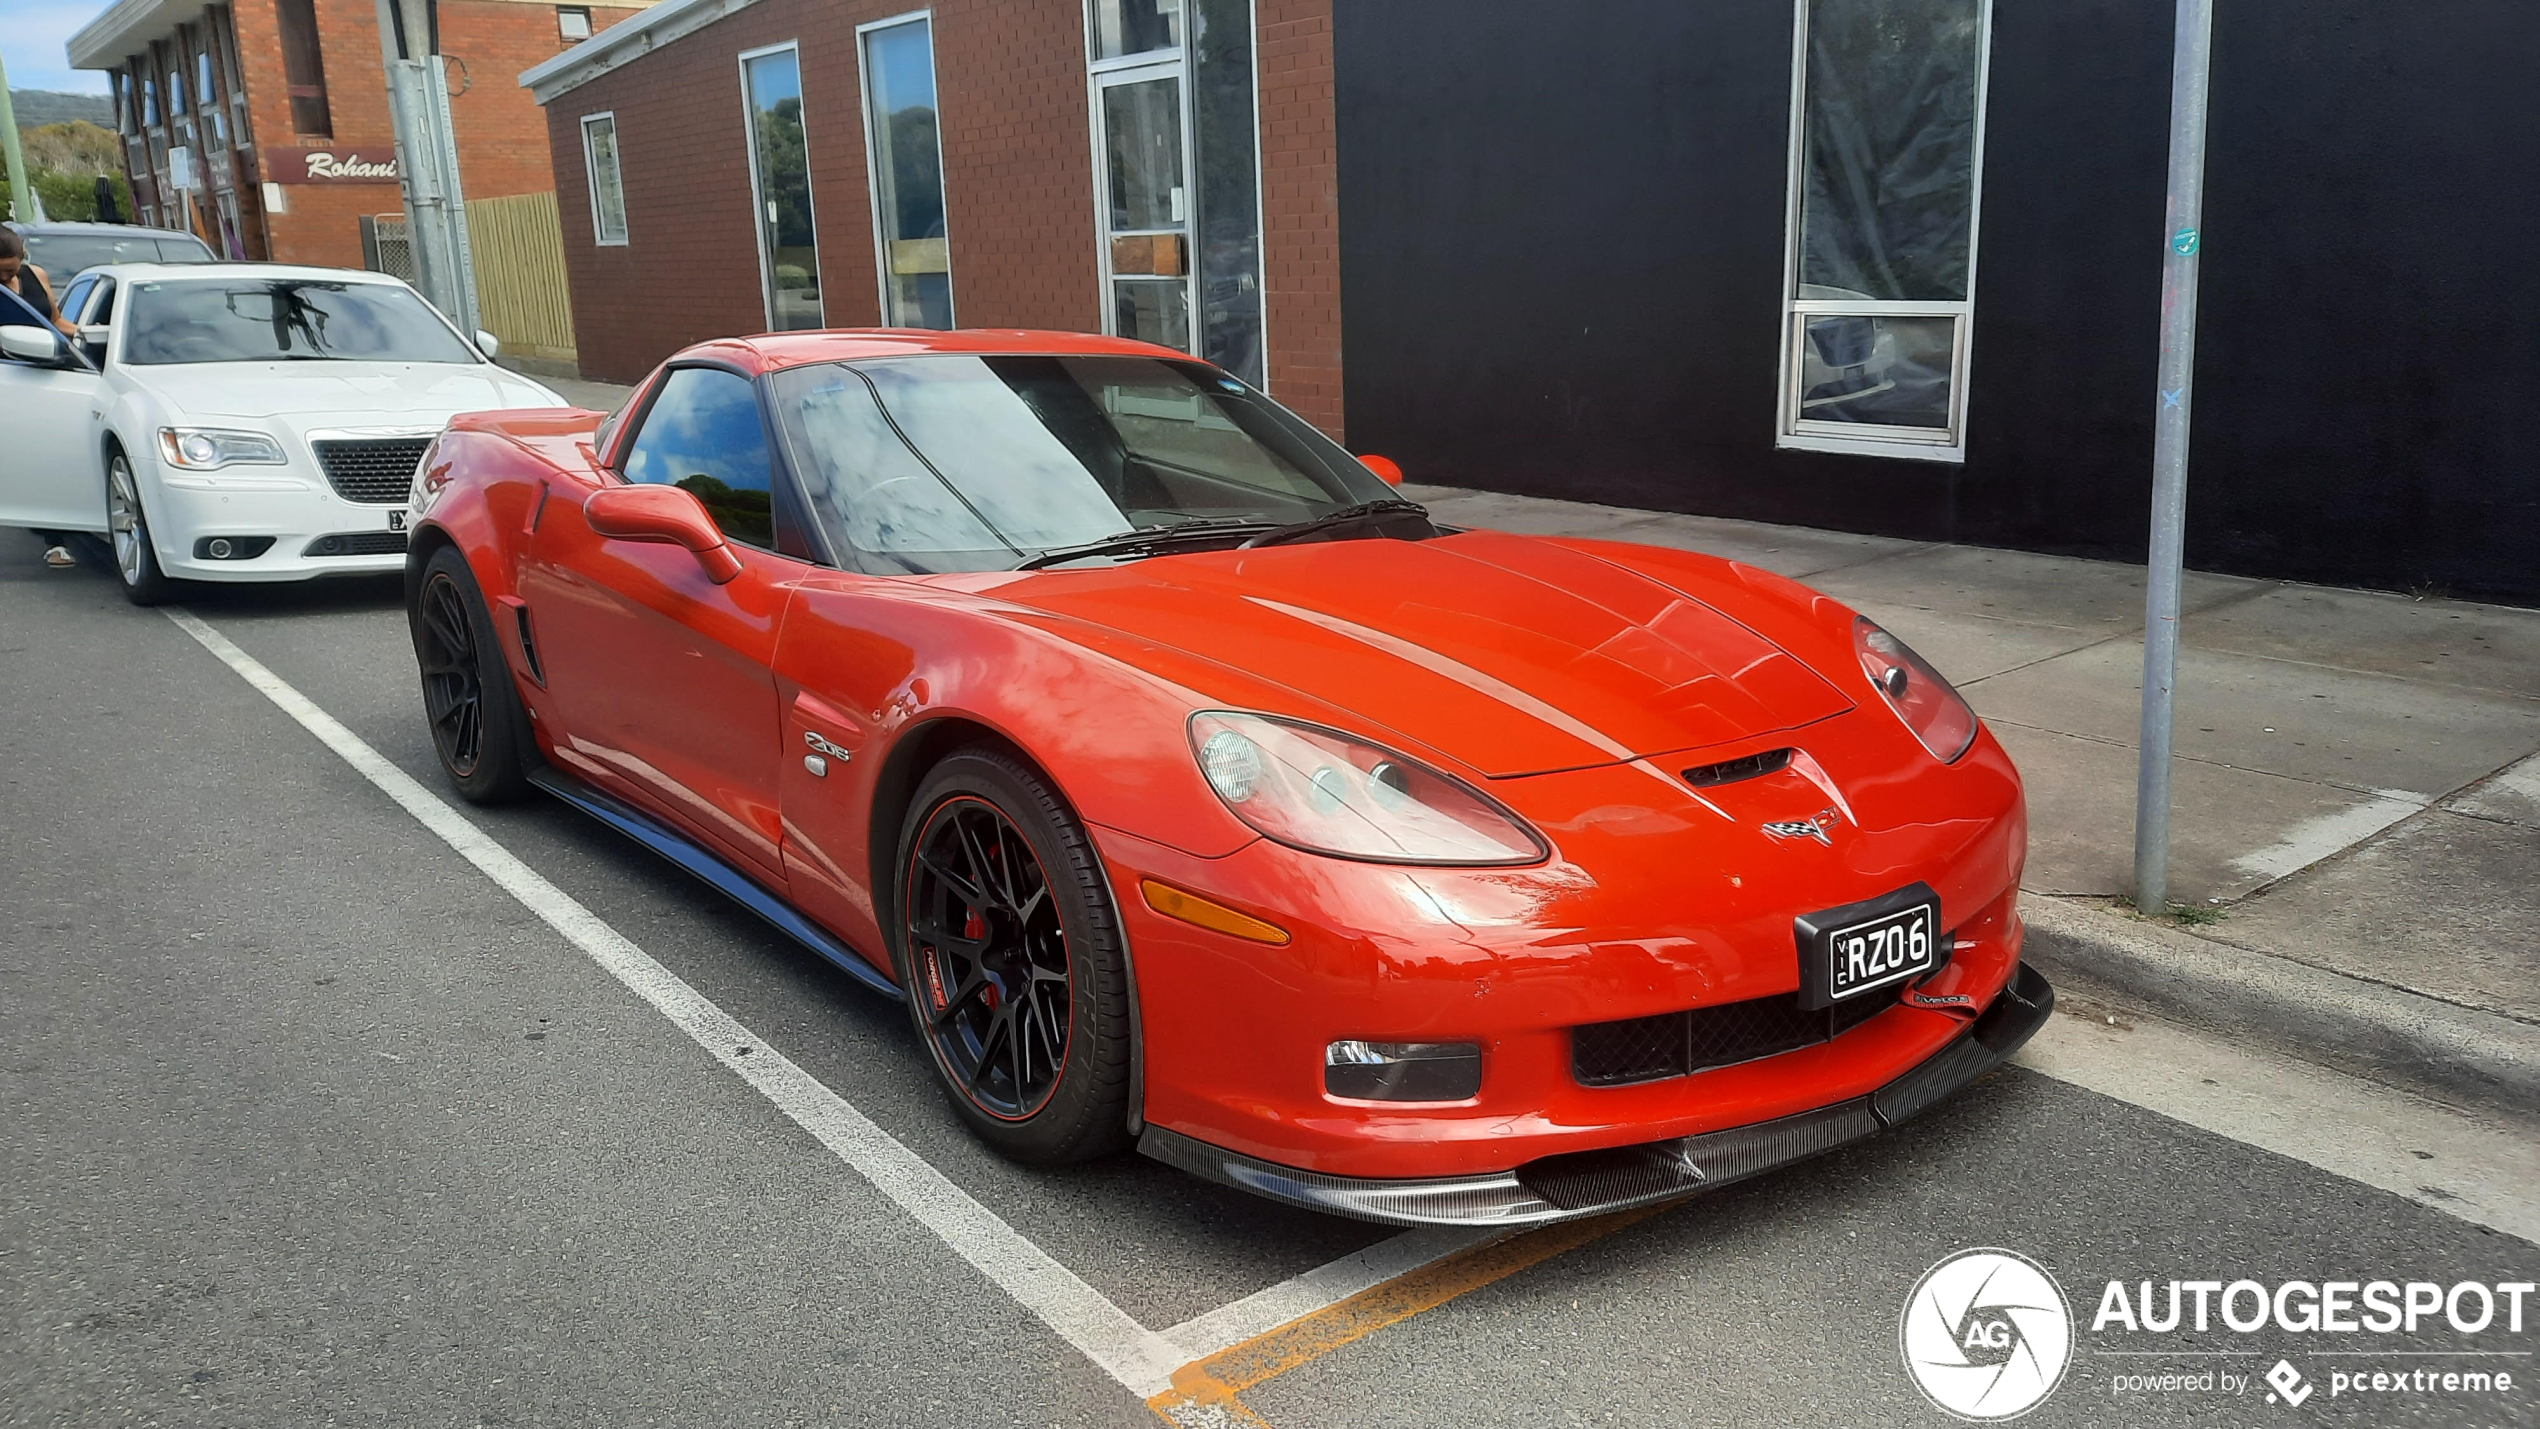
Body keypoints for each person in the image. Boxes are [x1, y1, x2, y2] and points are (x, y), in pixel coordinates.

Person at [0, 229, 79, 340]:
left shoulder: (37, 275)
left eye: (10, 270)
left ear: (22, 257)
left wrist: (83, 332)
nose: (3, 276)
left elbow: (55, 321)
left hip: (46, 354)